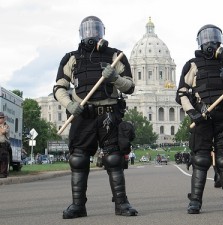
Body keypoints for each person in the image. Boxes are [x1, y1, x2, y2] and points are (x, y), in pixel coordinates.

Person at [53, 15, 137, 219]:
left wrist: (115, 78)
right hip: (83, 114)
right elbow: (59, 88)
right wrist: (70, 104)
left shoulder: (116, 55)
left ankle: (121, 204)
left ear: (102, 32)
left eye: (96, 30)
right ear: (82, 34)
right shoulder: (71, 58)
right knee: (79, 159)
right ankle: (78, 205)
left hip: (109, 114)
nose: (92, 34)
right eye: (88, 30)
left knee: (114, 158)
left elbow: (131, 86)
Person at [176, 24, 223, 214]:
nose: (212, 42)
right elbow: (182, 93)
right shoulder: (192, 65)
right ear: (201, 43)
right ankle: (195, 202)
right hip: (202, 118)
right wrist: (193, 113)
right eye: (207, 38)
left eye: (215, 38)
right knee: (200, 159)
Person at [0, 112, 10, 178]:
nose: (0, 119)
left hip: (3, 144)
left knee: (3, 159)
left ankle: (3, 173)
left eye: (1, 118)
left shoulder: (6, 126)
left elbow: (3, 132)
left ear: (4, 119)